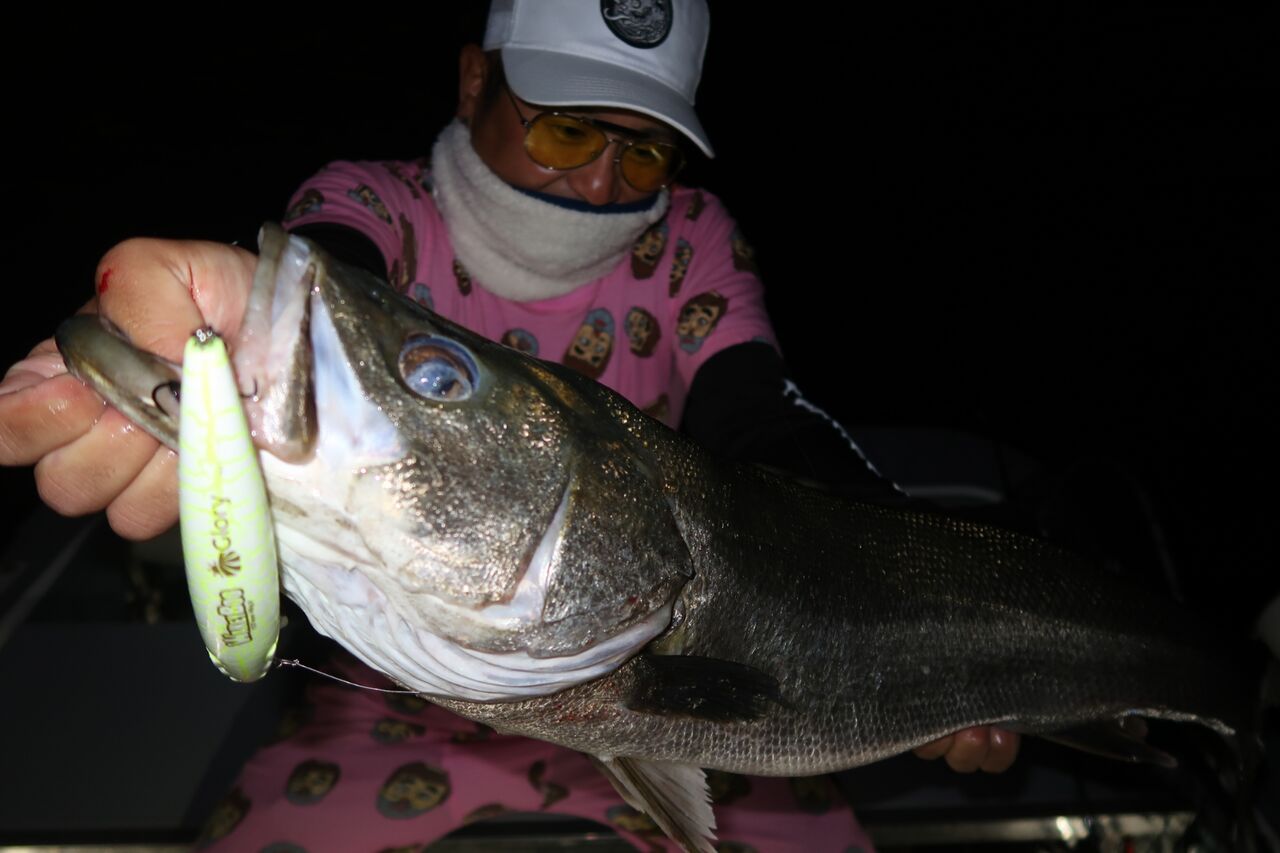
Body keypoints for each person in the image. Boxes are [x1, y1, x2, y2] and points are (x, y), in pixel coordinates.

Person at [0, 2, 1018, 849]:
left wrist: (940, 594)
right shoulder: (374, 202)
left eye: (645, 151)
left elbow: (761, 421)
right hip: (390, 701)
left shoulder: (692, 239)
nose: (602, 182)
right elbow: (333, 273)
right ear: (474, 83)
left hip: (683, 684)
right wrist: (222, 323)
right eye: (566, 131)